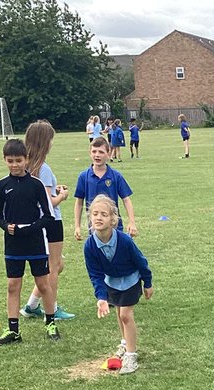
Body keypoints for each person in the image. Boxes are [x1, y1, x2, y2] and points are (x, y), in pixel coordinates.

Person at [0, 138, 58, 346]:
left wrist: (31, 228)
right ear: (4, 160)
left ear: (26, 159)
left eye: (18, 160)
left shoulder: (36, 185)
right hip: (13, 244)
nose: (14, 165)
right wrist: (6, 226)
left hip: (36, 242)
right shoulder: (1, 186)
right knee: (13, 285)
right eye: (10, 161)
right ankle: (13, 331)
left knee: (43, 284)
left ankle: (50, 322)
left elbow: (49, 216)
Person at [83, 196, 153, 375]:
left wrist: (148, 282)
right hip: (111, 282)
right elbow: (95, 274)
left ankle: (131, 355)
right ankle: (124, 343)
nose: (99, 218)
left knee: (126, 315)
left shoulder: (124, 240)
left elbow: (141, 261)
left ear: (113, 219)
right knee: (119, 313)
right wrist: (101, 297)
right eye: (95, 214)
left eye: (104, 214)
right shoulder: (90, 246)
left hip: (130, 280)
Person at [20, 120, 75, 322]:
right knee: (53, 266)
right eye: (50, 140)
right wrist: (62, 196)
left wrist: (54, 190)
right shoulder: (42, 168)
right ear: (44, 142)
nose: (52, 143)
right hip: (50, 222)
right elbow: (48, 203)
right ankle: (52, 308)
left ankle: (32, 306)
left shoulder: (25, 166)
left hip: (37, 222)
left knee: (58, 265)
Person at [73, 138, 138, 240]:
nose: (97, 155)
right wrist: (77, 226)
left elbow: (126, 200)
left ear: (108, 154)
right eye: (94, 151)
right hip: (95, 226)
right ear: (90, 153)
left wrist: (132, 222)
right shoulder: (84, 176)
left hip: (115, 226)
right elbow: (79, 202)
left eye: (101, 152)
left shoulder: (116, 176)